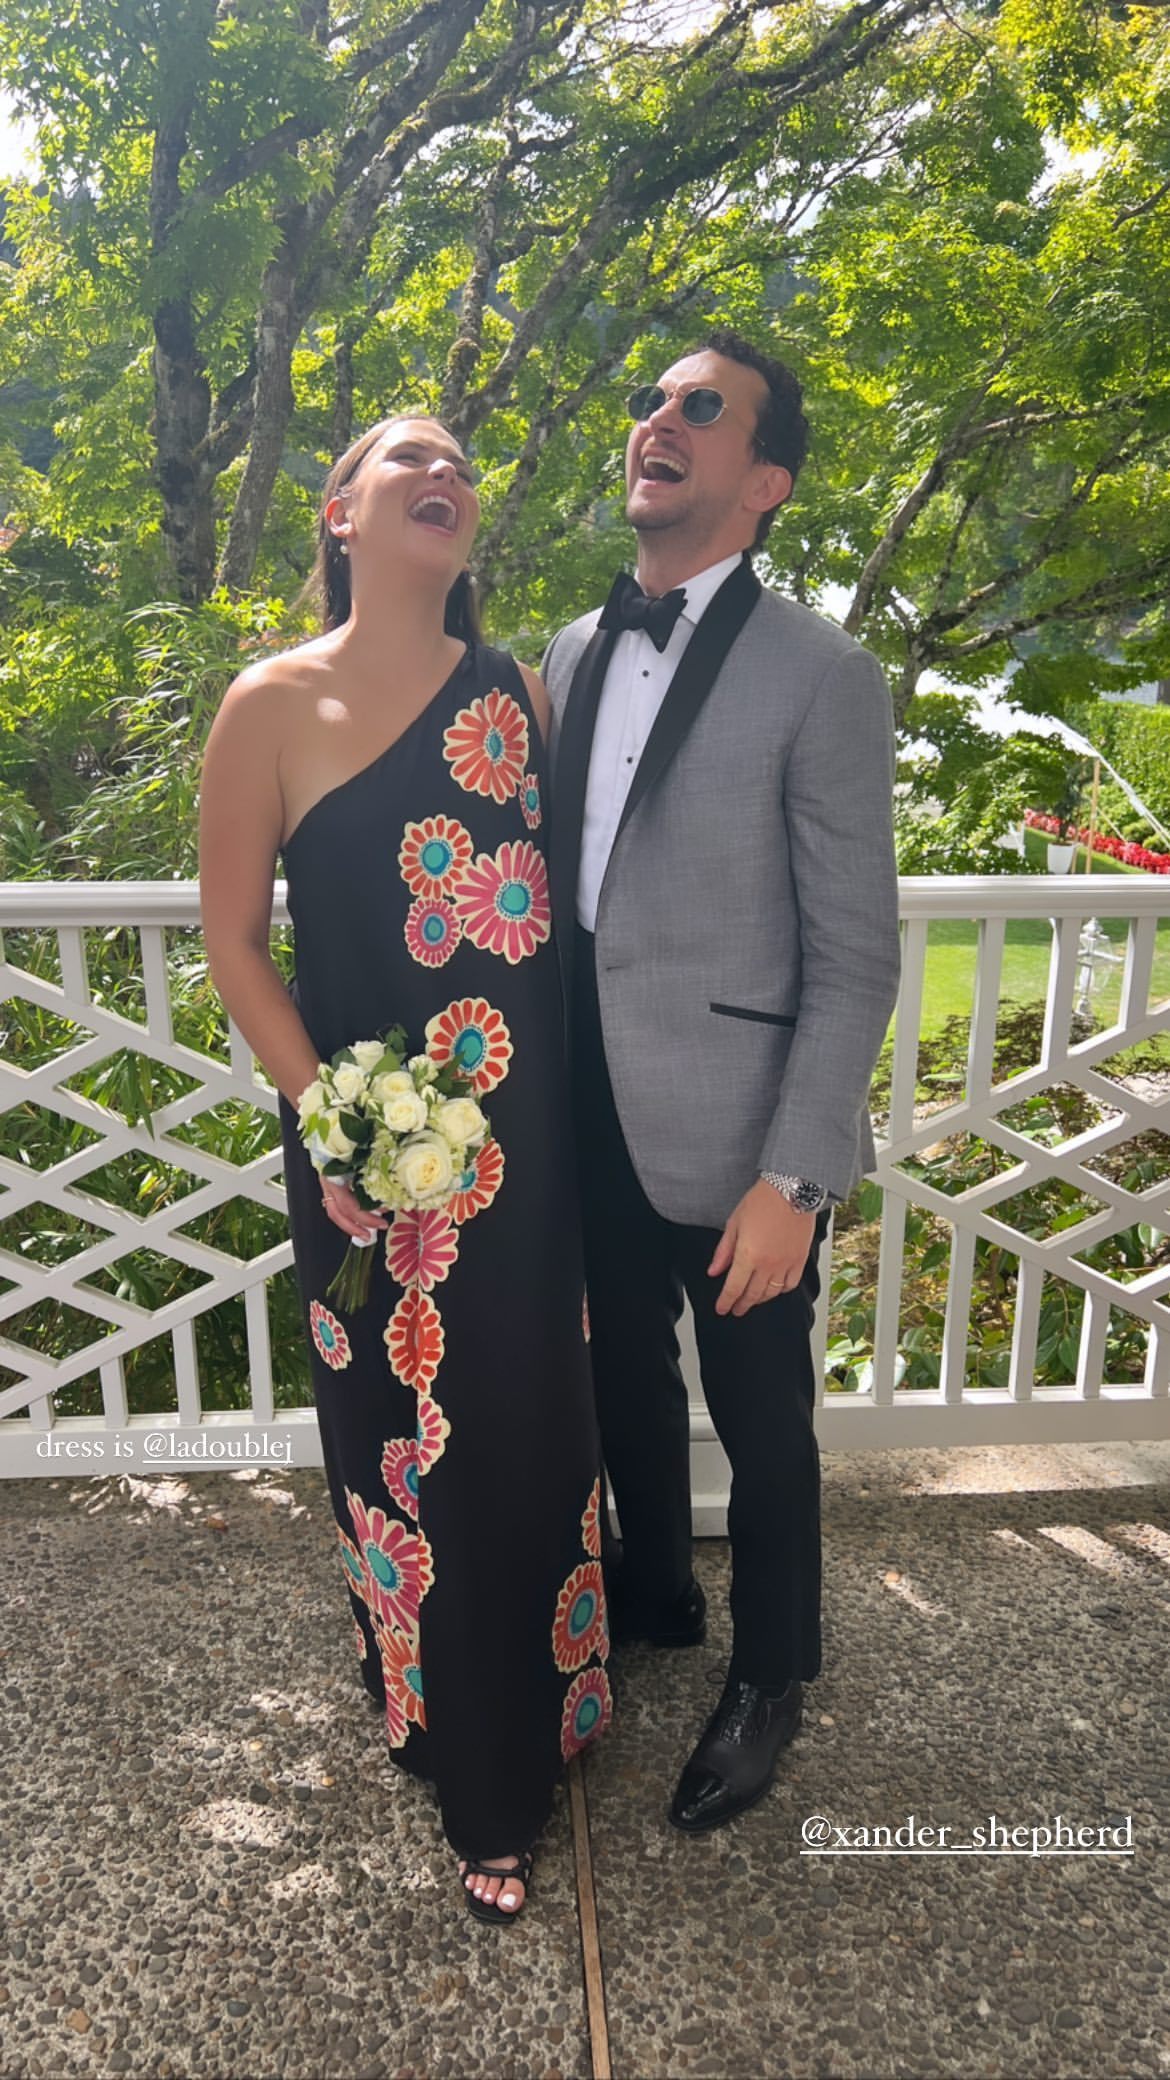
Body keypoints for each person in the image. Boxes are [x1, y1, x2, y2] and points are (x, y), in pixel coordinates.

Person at [199, 414, 609, 1921]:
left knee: (528, 1428)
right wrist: (338, 1125)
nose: (445, 475)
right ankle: (479, 1777)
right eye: (406, 459)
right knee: (405, 1445)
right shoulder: (269, 702)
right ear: (339, 511)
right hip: (366, 1167)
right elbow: (234, 947)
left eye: (459, 464)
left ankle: (554, 1697)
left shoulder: (518, 695)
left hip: (530, 1153)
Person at [541, 331, 899, 1834]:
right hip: (585, 1107)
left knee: (761, 1423)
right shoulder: (572, 647)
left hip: (742, 1130)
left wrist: (796, 1179)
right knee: (618, 1375)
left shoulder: (824, 675)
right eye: (649, 400)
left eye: (701, 407)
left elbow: (855, 956)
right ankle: (656, 1595)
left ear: (764, 481)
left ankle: (770, 1676)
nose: (658, 421)